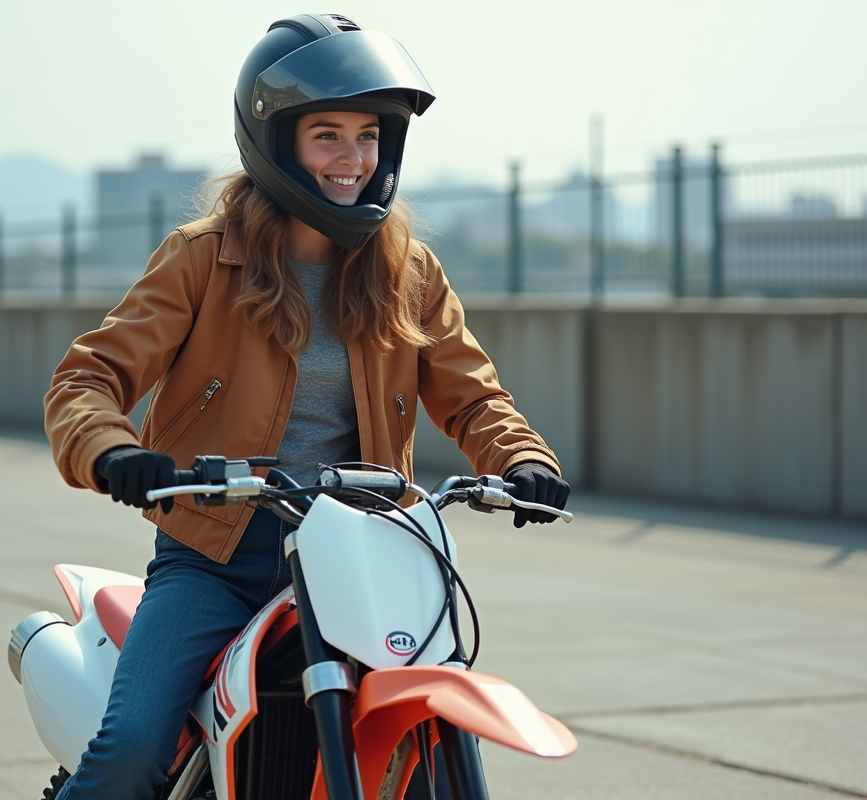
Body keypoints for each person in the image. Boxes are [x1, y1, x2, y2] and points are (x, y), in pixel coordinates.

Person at [43, 13, 571, 800]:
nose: (353, 158)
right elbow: (87, 378)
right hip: (218, 556)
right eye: (328, 135)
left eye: (369, 136)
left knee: (426, 737)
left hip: (367, 554)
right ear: (277, 140)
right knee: (132, 750)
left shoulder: (410, 273)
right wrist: (112, 450)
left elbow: (474, 397)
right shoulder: (202, 258)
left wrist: (521, 457)